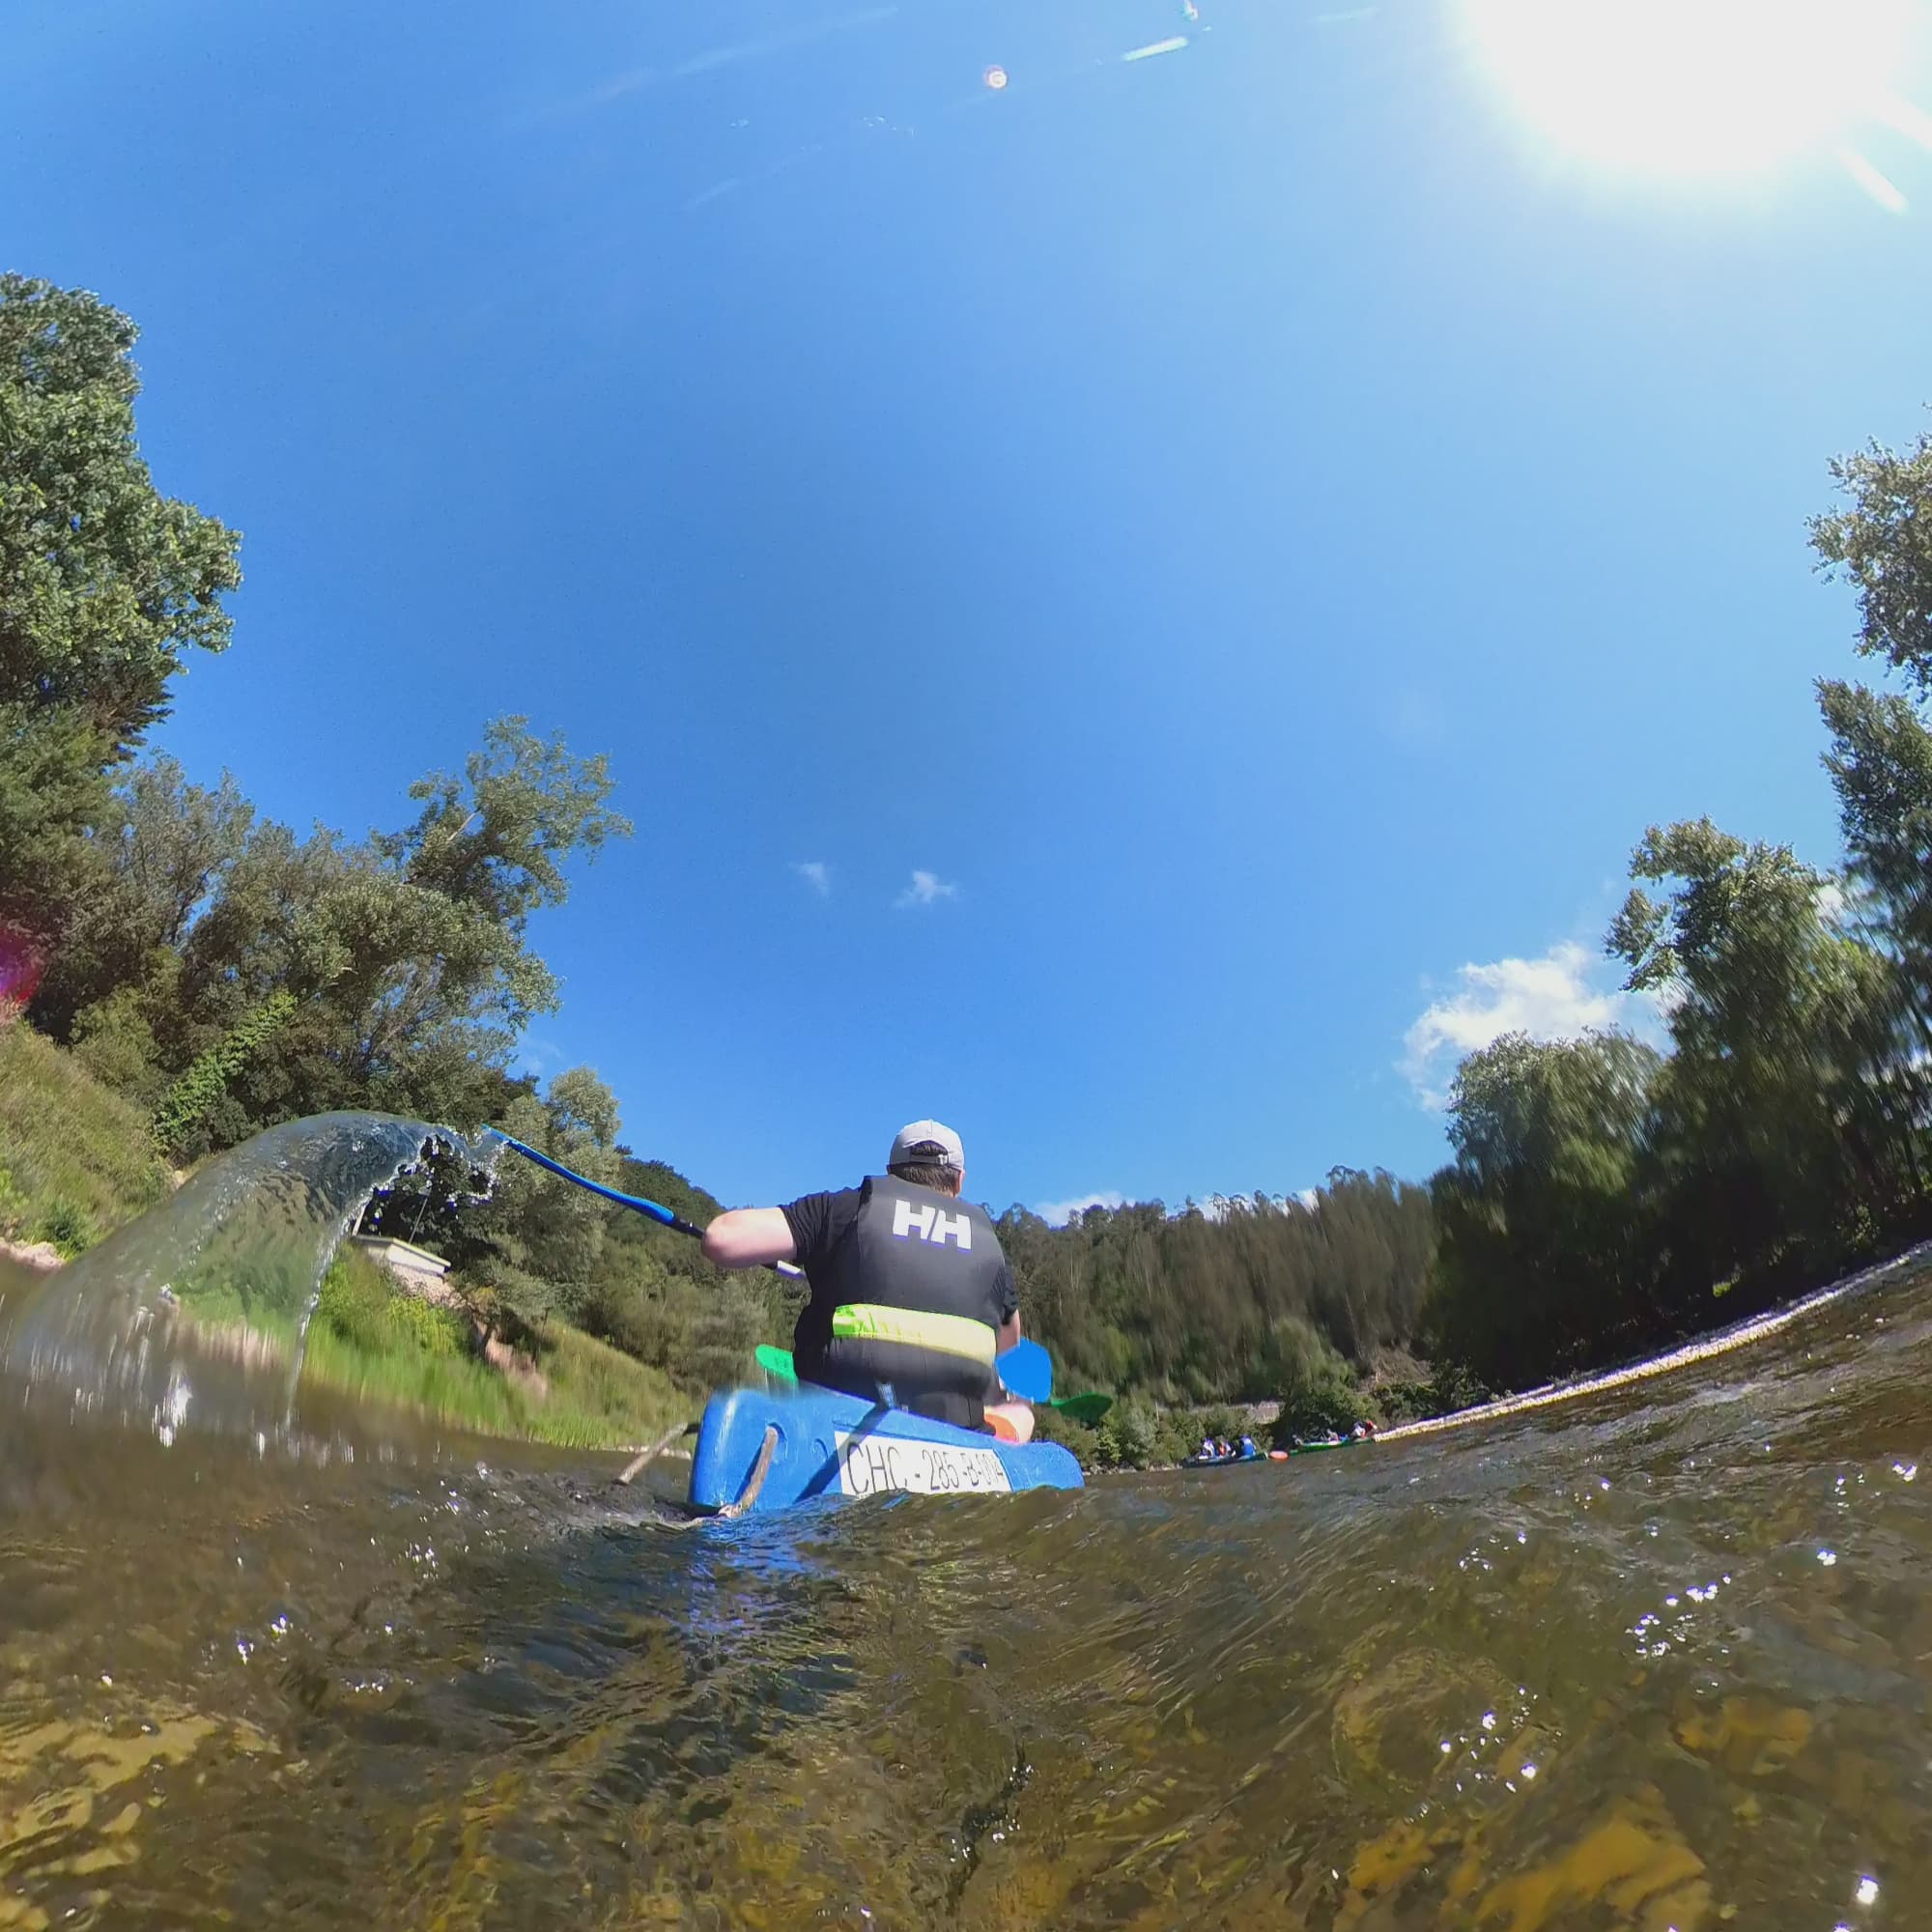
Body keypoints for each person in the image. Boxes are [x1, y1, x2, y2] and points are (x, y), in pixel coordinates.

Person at [702, 1120, 1035, 1443]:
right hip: (956, 1434)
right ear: (959, 1181)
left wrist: (823, 1258)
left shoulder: (844, 1209)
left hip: (837, 1422)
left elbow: (722, 1239)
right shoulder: (992, 1253)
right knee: (1021, 1410)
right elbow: (1009, 1348)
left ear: (891, 1171)